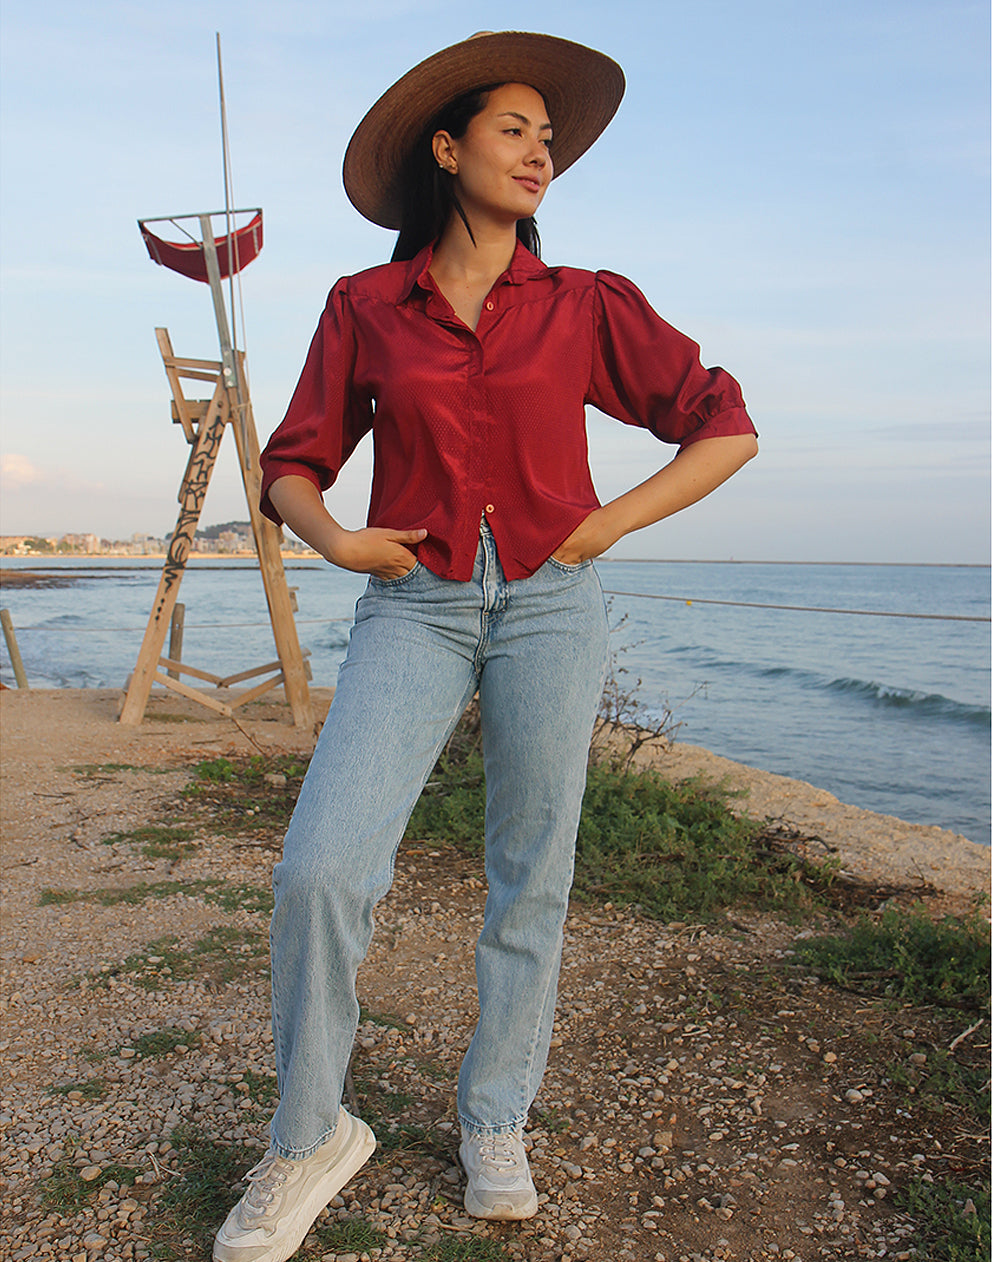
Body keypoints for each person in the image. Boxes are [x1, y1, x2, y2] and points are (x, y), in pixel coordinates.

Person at [213, 30, 758, 1262]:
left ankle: (495, 1116)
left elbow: (721, 424)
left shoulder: (582, 303)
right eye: (515, 130)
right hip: (414, 601)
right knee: (320, 866)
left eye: (548, 140)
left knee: (532, 873)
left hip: (552, 606)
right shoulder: (365, 305)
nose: (540, 155)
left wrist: (597, 527)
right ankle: (308, 1133)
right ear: (447, 150)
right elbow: (290, 463)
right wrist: (341, 541)